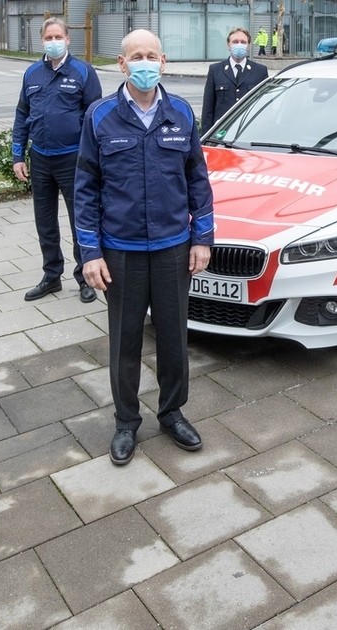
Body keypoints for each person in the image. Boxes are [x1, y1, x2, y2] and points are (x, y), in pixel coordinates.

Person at [75, 29, 214, 466]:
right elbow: (85, 189)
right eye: (136, 55)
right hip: (121, 250)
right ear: (121, 64)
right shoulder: (100, 117)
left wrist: (203, 238)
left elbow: (198, 181)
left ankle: (172, 412)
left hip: (174, 246)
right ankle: (125, 422)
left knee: (174, 337)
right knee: (125, 341)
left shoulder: (182, 114)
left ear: (164, 61)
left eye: (152, 55)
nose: (145, 62)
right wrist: (90, 253)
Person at [12, 17, 103, 303]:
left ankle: (84, 278)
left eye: (58, 36)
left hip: (72, 159)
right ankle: (51, 277)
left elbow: (95, 117)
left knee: (81, 221)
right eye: (48, 37)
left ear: (67, 39)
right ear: (42, 41)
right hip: (40, 158)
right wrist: (17, 155)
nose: (53, 42)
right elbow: (21, 115)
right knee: (45, 222)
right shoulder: (32, 74)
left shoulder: (83, 72)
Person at [202, 27, 268, 128]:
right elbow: (208, 109)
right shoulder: (215, 70)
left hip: (249, 131)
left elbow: (265, 107)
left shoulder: (260, 71)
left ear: (248, 46)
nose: (239, 45)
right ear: (229, 45)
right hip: (221, 133)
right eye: (235, 42)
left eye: (243, 42)